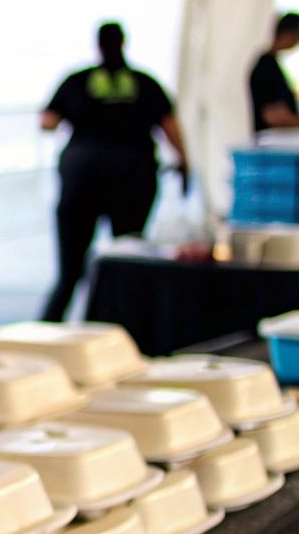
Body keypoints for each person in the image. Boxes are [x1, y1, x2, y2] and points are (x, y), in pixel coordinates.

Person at [38, 22, 190, 323]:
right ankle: (120, 328)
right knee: (126, 258)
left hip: (82, 175)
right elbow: (170, 126)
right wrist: (185, 161)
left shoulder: (78, 80)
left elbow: (47, 122)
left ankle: (49, 329)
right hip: (133, 174)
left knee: (70, 269)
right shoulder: (144, 82)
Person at [249, 12, 299, 135]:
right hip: (268, 143)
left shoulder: (270, 62)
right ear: (288, 33)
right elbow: (273, 116)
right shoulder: (265, 65)